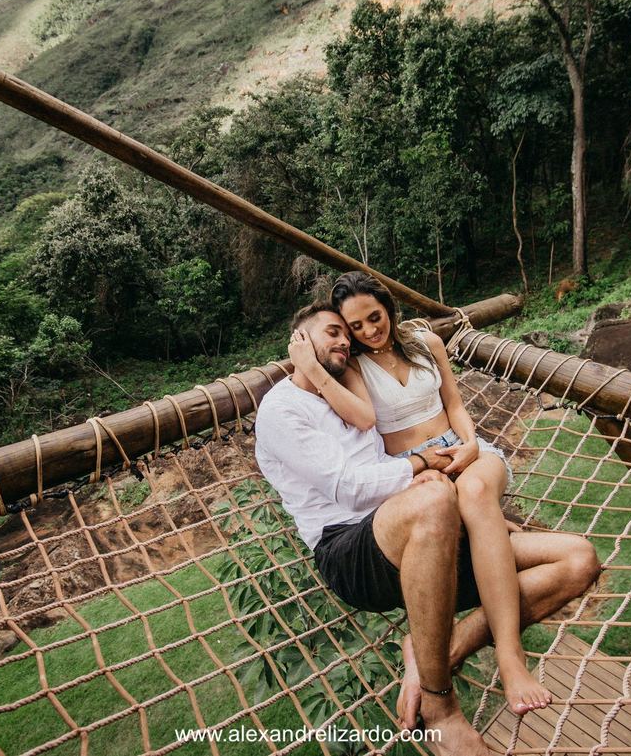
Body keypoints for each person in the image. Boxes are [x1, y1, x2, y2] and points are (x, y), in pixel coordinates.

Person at [256, 300, 600, 756]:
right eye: (332, 332)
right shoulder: (282, 409)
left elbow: (408, 407)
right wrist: (421, 467)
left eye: (347, 333)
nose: (344, 340)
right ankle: (440, 710)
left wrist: (467, 508)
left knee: (578, 560)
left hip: (421, 537)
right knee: (435, 496)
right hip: (351, 551)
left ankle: (436, 648)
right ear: (299, 342)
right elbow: (347, 489)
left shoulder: (350, 394)